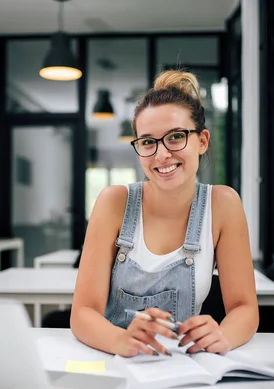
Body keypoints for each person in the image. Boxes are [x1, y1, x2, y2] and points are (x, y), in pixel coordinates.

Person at [71, 70, 258, 358]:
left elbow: (244, 308)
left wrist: (223, 335)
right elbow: (83, 314)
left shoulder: (223, 205)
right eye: (148, 142)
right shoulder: (114, 202)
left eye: (175, 137)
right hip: (113, 359)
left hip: (184, 366)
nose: (161, 155)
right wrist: (121, 342)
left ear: (202, 141)